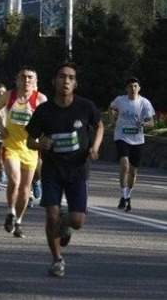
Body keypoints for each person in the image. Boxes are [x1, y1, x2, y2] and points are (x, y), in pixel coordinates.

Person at [26, 62, 103, 277]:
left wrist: (94, 148)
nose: (66, 81)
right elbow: (29, 141)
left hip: (78, 170)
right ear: (54, 81)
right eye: (62, 77)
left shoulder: (85, 107)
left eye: (70, 77)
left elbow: (100, 125)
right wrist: (41, 144)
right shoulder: (44, 111)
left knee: (77, 221)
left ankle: (65, 224)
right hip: (52, 169)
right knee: (51, 216)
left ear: (75, 83)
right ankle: (57, 259)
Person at [0, 67, 47, 238]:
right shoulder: (10, 96)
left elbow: (49, 119)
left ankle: (19, 221)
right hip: (11, 145)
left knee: (25, 188)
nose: (26, 80)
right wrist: (1, 128)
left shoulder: (40, 99)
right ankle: (10, 212)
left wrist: (44, 139)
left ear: (35, 81)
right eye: (23, 77)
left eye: (30, 77)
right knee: (14, 181)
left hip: (30, 149)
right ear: (17, 80)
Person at [109, 77, 155, 212]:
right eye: (130, 86)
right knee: (124, 164)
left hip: (137, 139)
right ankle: (123, 195)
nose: (133, 89)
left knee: (133, 172)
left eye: (135, 86)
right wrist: (113, 120)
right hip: (121, 137)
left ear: (139, 88)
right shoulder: (120, 100)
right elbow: (111, 107)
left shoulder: (144, 103)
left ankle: (127, 197)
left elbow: (151, 122)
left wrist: (143, 124)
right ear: (126, 89)